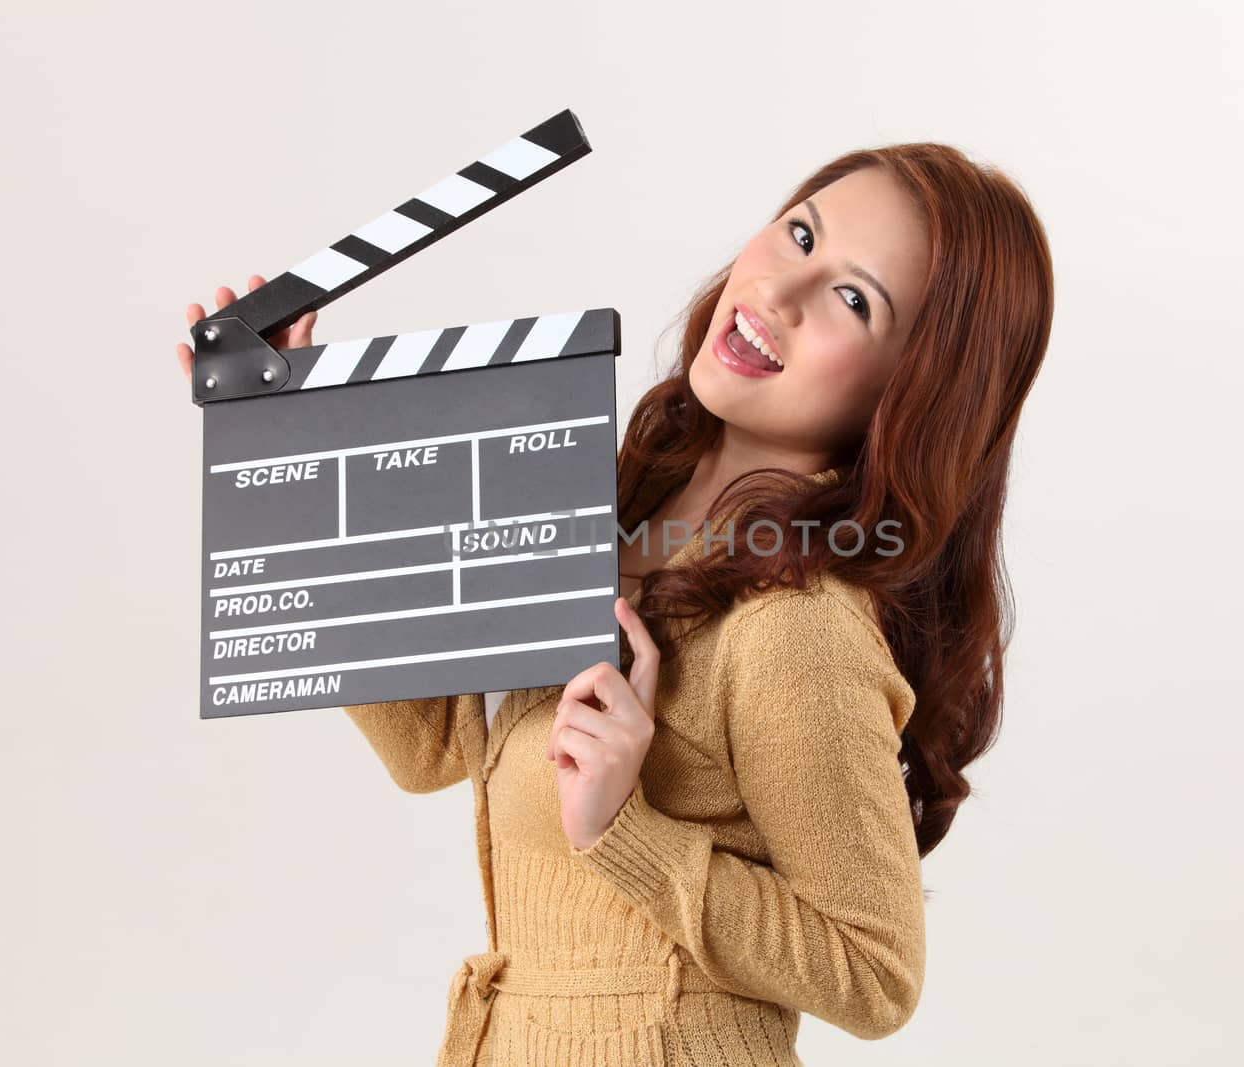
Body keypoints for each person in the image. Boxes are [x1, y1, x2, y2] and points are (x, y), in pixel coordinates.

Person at [177, 145, 1053, 1066]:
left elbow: (876, 974)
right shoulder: (613, 506)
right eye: (800, 234)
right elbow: (431, 743)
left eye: (853, 299)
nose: (781, 292)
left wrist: (624, 830)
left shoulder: (793, 629)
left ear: (913, 390)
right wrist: (293, 444)